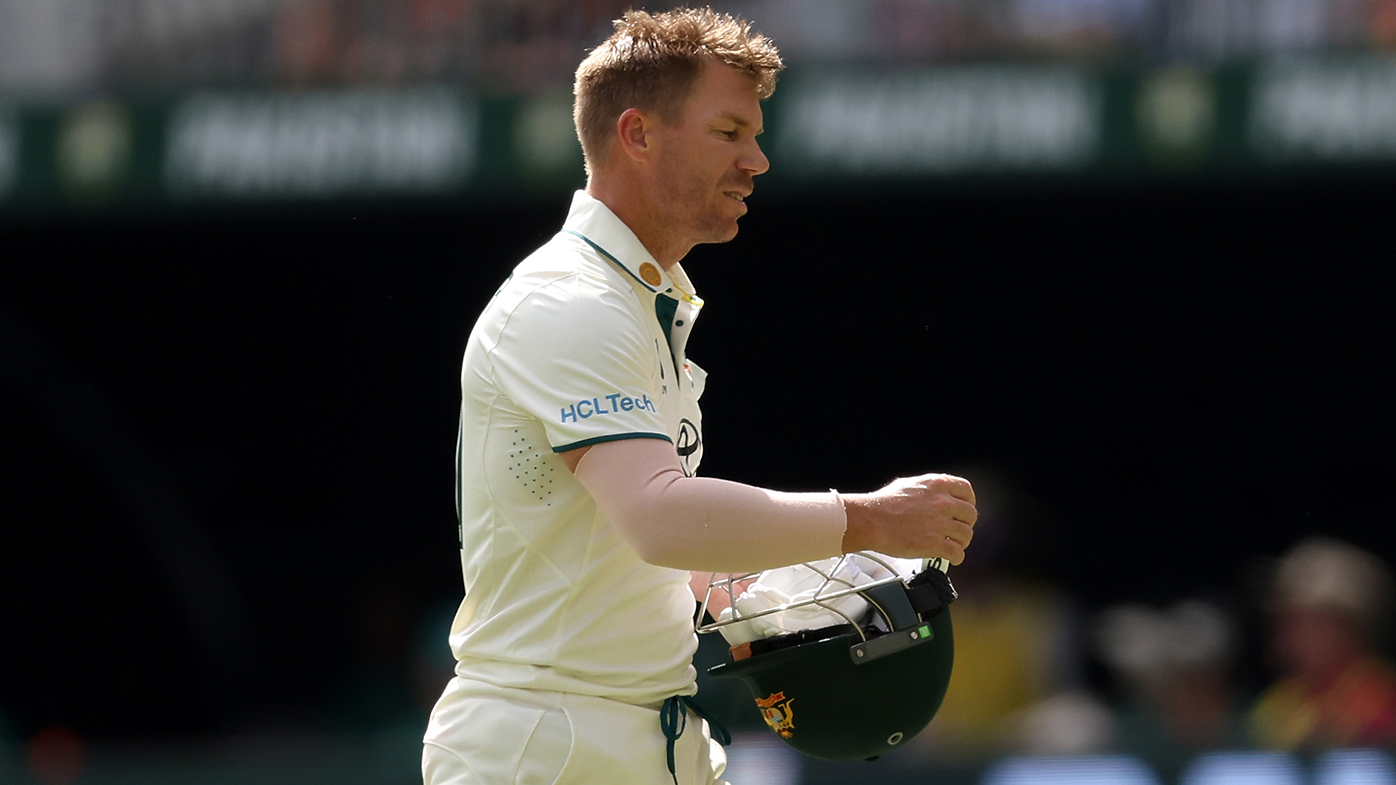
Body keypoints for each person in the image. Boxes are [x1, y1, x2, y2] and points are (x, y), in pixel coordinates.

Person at [422, 8, 977, 785]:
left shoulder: (639, 302)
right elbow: (658, 515)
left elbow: (620, 535)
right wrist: (869, 519)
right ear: (638, 134)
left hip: (648, 734)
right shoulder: (568, 301)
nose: (758, 160)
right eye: (728, 133)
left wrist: (735, 591)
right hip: (545, 742)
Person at [1248, 536, 1396, 751]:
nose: (1282, 636)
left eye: (1297, 621)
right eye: (1280, 621)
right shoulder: (1275, 705)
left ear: (1345, 627)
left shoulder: (1385, 697)